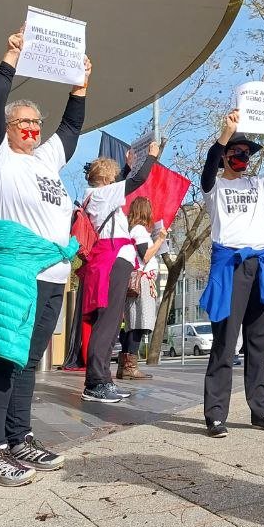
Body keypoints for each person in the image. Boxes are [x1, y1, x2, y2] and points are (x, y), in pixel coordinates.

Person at [0, 29, 87, 486]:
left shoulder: (46, 162)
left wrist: (80, 88)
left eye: (35, 123)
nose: (31, 129)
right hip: (16, 271)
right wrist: (10, 60)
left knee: (30, 358)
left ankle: (19, 438)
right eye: (22, 123)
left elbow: (71, 128)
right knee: (2, 357)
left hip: (53, 273)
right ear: (9, 129)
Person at [198, 109, 264, 437]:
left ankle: (261, 411)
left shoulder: (258, 184)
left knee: (259, 341)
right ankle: (215, 415)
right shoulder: (213, 186)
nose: (242, 157)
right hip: (230, 265)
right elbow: (208, 165)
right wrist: (225, 134)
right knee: (225, 342)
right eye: (236, 153)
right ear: (225, 157)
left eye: (245, 154)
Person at [79, 142, 160, 403]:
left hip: (110, 259)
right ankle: (95, 382)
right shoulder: (100, 195)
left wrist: (125, 166)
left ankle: (102, 379)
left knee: (111, 323)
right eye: (113, 177)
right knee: (107, 323)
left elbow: (124, 183)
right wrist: (151, 158)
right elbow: (136, 181)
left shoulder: (96, 196)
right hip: (112, 259)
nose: (116, 181)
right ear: (104, 179)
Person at [117, 197, 168, 380]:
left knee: (133, 323)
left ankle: (124, 364)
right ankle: (131, 366)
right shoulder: (139, 230)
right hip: (142, 282)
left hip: (138, 280)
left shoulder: (133, 229)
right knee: (139, 323)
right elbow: (145, 255)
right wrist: (160, 240)